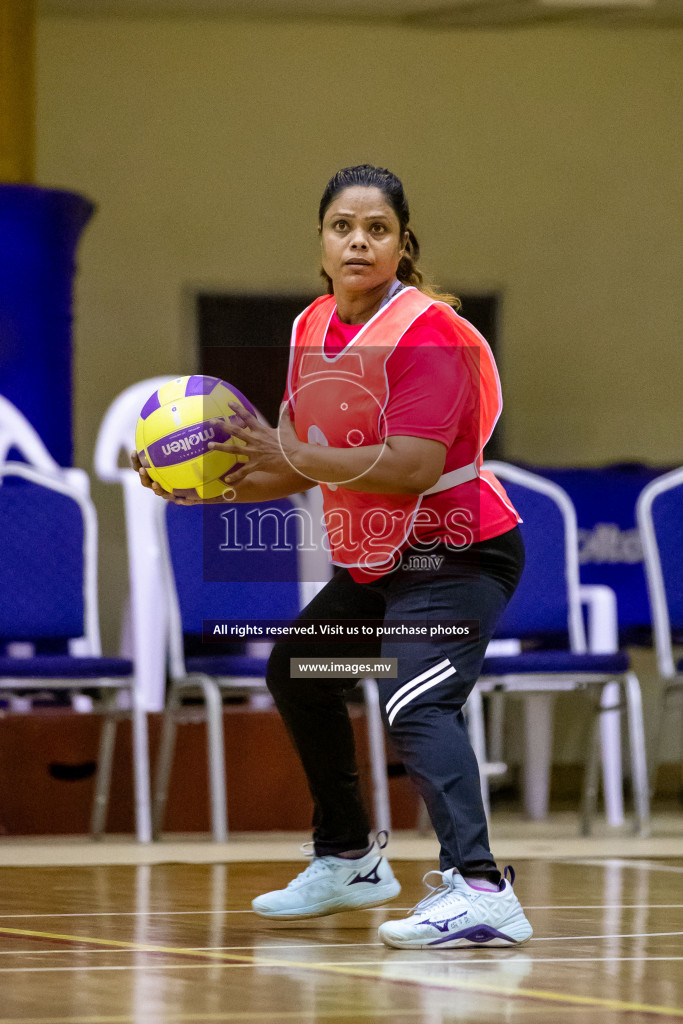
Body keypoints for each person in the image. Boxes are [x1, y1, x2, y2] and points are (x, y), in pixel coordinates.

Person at [132, 164, 533, 949]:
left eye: (376, 228)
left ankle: (483, 890)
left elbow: (413, 465)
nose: (358, 241)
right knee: (302, 673)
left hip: (454, 556)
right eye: (342, 227)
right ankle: (349, 857)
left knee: (414, 701)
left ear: (400, 242)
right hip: (378, 564)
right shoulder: (313, 325)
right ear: (320, 241)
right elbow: (306, 460)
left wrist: (291, 449)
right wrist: (212, 486)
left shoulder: (429, 332)